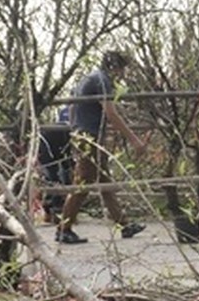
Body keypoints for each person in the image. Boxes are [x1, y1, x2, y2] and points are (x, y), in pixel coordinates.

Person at [56, 51, 148, 245]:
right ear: (115, 67)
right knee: (82, 185)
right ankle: (63, 228)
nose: (123, 74)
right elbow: (111, 113)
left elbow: (72, 107)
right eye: (122, 69)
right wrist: (134, 140)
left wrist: (75, 129)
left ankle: (124, 224)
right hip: (89, 138)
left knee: (105, 182)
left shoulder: (89, 78)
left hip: (85, 135)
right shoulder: (102, 80)